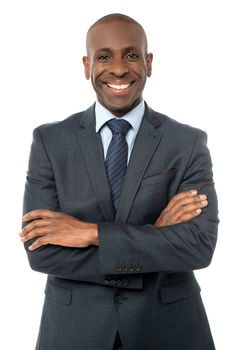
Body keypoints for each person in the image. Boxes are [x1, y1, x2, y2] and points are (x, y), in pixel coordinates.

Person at [20, 13, 219, 350]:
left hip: (169, 329)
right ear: (86, 66)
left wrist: (89, 233)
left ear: (148, 63)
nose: (118, 69)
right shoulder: (50, 141)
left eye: (130, 55)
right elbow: (42, 253)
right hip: (74, 332)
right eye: (103, 57)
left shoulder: (186, 143)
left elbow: (198, 247)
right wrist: (156, 235)